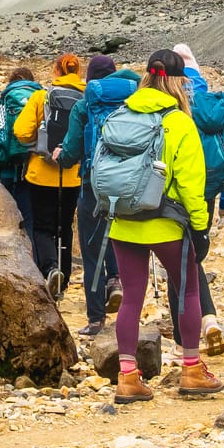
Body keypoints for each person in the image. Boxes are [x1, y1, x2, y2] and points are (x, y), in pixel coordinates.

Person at [87, 49, 219, 402]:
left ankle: (127, 377)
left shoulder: (120, 113)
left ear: (146, 76)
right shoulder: (177, 122)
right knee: (188, 290)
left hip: (123, 219)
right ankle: (191, 369)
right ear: (178, 82)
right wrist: (200, 227)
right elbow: (193, 185)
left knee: (131, 297)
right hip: (166, 222)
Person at [67, 51, 138, 323]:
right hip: (129, 186)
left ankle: (96, 319)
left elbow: (73, 151)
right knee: (124, 245)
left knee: (91, 252)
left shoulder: (84, 106)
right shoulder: (131, 102)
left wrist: (62, 155)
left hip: (92, 186)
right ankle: (119, 288)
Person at [177, 44, 224, 344]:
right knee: (194, 253)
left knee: (181, 259)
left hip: (177, 192)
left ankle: (192, 332)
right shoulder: (213, 105)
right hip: (210, 188)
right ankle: (207, 318)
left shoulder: (174, 103)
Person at [12, 52, 87, 292]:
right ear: (79, 72)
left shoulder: (41, 97)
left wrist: (37, 143)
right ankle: (63, 280)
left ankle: (49, 268)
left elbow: (21, 131)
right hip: (72, 174)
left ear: (55, 71)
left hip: (41, 174)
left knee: (43, 227)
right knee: (65, 226)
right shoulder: (86, 99)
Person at [0, 58, 45, 236]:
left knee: (6, 224)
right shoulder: (42, 99)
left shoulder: (3, 102)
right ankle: (35, 261)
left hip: (7, 171)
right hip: (34, 172)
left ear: (11, 82)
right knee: (30, 223)